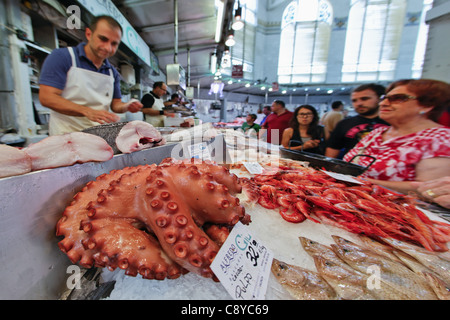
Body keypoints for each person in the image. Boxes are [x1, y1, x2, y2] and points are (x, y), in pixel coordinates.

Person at [39, 15, 143, 135]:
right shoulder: (63, 57)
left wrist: (126, 106)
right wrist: (87, 111)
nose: (108, 48)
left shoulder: (112, 72)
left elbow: (116, 104)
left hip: (99, 135)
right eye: (103, 39)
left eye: (114, 44)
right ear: (89, 34)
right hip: (66, 134)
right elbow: (47, 97)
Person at [343, 79, 450, 195]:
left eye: (398, 98)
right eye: (384, 98)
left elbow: (431, 189)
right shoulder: (377, 133)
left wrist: (360, 182)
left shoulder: (440, 138)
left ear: (427, 105)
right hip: (352, 200)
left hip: (400, 209)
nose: (383, 103)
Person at [325, 83, 388, 159]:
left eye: (365, 99)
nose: (359, 103)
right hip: (354, 166)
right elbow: (331, 153)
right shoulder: (344, 124)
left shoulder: (393, 122)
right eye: (354, 101)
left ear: (380, 98)